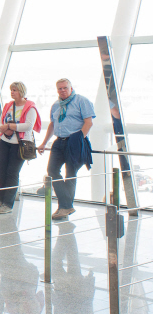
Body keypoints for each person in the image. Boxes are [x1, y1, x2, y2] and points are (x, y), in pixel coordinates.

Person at [37, 78, 95, 220]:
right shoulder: (56, 105)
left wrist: (79, 139)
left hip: (74, 141)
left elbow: (88, 122)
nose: (62, 90)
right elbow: (52, 124)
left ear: (71, 88)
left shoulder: (81, 101)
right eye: (60, 88)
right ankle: (66, 206)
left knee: (71, 173)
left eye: (65, 88)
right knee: (52, 170)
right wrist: (44, 142)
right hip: (59, 141)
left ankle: (64, 207)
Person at [0, 81, 41, 215]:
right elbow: (0, 122)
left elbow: (28, 126)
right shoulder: (8, 106)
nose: (12, 92)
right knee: (0, 170)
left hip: (19, 144)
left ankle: (8, 204)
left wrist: (10, 126)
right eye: (11, 90)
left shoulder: (30, 107)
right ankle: (1, 201)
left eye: (15, 90)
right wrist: (4, 128)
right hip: (5, 141)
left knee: (12, 173)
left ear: (21, 91)